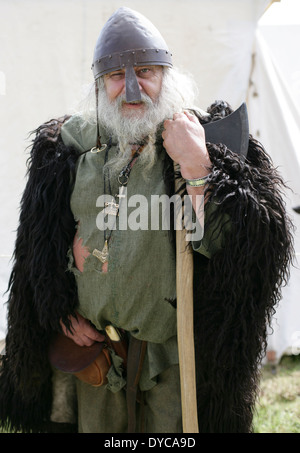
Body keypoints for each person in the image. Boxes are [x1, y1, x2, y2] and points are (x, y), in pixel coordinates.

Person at [0, 7, 294, 433]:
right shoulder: (68, 154)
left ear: (167, 76)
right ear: (101, 84)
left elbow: (232, 249)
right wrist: (59, 307)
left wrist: (196, 168)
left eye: (146, 71)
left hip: (172, 364)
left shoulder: (195, 147)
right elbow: (39, 252)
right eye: (118, 76)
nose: (133, 88)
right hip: (96, 360)